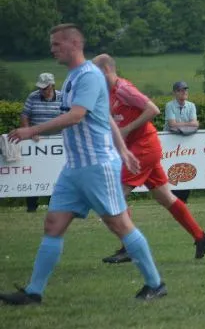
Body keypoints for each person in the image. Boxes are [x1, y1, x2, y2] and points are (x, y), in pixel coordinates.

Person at [0, 23, 166, 305]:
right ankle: (34, 292)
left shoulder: (89, 75)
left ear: (74, 44)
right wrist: (123, 149)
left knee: (119, 224)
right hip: (74, 168)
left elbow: (76, 116)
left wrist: (32, 130)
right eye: (52, 45)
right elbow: (105, 117)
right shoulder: (72, 78)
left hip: (97, 165)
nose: (52, 49)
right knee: (53, 224)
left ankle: (155, 284)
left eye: (57, 44)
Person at [92, 55, 205, 264]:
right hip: (142, 147)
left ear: (105, 70)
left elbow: (153, 109)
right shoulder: (109, 92)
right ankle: (200, 236)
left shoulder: (124, 89)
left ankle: (129, 248)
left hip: (144, 147)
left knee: (115, 195)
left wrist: (127, 129)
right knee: (166, 198)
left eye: (94, 72)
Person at [20, 72, 62, 212]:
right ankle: (31, 206)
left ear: (52, 85)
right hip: (36, 142)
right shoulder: (32, 97)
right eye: (41, 88)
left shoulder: (62, 97)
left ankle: (53, 206)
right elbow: (25, 116)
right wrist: (29, 132)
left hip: (57, 142)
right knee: (34, 173)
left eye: (45, 88)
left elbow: (66, 117)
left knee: (55, 174)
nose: (42, 90)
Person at [164, 81, 199, 202]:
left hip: (185, 143)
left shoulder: (191, 105)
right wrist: (188, 124)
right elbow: (172, 124)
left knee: (186, 168)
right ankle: (173, 198)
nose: (184, 92)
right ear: (175, 93)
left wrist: (180, 125)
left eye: (185, 89)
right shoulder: (169, 105)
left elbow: (195, 124)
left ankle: (183, 198)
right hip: (170, 143)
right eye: (181, 90)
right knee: (172, 169)